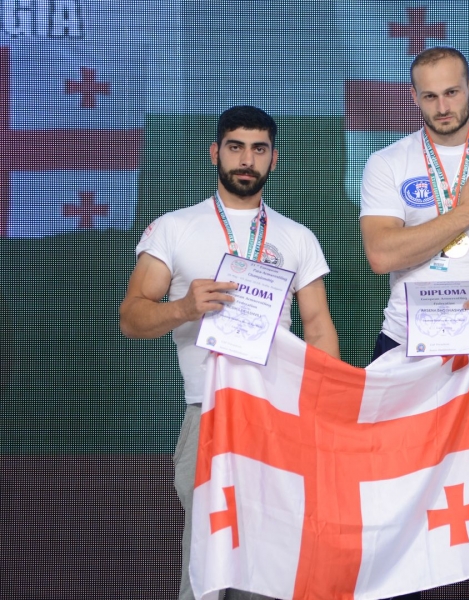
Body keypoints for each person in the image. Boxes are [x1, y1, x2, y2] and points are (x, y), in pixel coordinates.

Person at [119, 105, 339, 600]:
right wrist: (183, 307)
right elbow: (131, 317)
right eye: (236, 147)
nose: (247, 159)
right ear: (215, 152)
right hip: (210, 413)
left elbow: (319, 325)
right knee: (207, 558)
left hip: (278, 416)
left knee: (270, 564)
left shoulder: (296, 237)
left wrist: (321, 408)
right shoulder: (174, 228)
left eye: (259, 149)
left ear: (273, 160)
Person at [359, 47, 469, 600]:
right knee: (396, 482)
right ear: (414, 97)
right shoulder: (387, 163)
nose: (442, 105)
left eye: (452, 91)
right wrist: (465, 214)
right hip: (406, 344)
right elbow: (382, 254)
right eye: (429, 95)